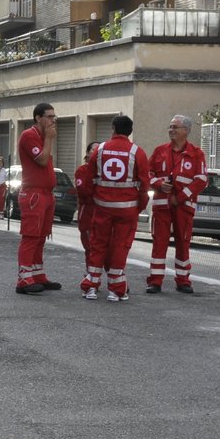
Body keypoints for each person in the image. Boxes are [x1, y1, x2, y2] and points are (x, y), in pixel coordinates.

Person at [80, 114, 151, 302]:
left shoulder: (100, 149)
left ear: (113, 128)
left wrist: (92, 199)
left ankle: (91, 287)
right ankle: (116, 289)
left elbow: (88, 180)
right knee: (121, 246)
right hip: (127, 209)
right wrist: (139, 207)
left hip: (102, 207)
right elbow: (145, 185)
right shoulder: (138, 152)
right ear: (130, 131)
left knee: (98, 245)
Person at [146, 114, 209, 295]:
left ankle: (183, 281)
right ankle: (155, 281)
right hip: (161, 206)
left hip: (184, 207)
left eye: (175, 127)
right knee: (159, 243)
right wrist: (158, 184)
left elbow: (201, 180)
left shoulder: (197, 154)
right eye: (170, 126)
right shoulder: (160, 151)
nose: (171, 130)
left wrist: (180, 197)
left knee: (183, 242)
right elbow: (147, 174)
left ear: (186, 131)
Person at [15, 103, 61, 295]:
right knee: (31, 237)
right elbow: (42, 160)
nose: (53, 120)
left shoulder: (42, 136)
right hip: (33, 193)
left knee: (41, 237)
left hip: (46, 193)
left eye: (54, 117)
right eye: (49, 116)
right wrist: (49, 139)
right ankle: (24, 279)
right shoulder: (29, 135)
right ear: (38, 118)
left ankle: (37, 274)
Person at [73, 141, 99, 257]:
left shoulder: (104, 170)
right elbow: (83, 192)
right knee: (89, 246)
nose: (97, 152)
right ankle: (91, 272)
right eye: (94, 150)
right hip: (87, 212)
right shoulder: (82, 170)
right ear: (88, 153)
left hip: (102, 212)